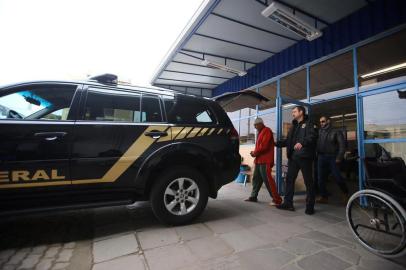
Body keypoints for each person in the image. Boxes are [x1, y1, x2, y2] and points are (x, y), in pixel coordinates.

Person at [275, 106, 318, 215]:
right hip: (293, 158)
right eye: (292, 112)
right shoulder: (293, 126)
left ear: (301, 112)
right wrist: (275, 143)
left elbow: (313, 136)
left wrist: (302, 143)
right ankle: (288, 203)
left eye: (294, 111)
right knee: (289, 180)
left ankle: (310, 206)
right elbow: (288, 141)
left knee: (308, 182)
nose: (292, 113)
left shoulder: (309, 124)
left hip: (305, 157)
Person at [245, 118, 282, 206]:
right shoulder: (260, 132)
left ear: (261, 124)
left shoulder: (267, 130)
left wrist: (255, 152)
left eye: (256, 125)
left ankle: (277, 200)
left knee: (268, 180)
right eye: (254, 125)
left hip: (265, 160)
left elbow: (264, 146)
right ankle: (253, 196)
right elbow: (260, 146)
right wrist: (254, 153)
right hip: (258, 160)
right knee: (256, 179)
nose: (255, 127)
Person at [317, 116, 349, 204]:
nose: (321, 123)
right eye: (320, 122)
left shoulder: (336, 131)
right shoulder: (320, 131)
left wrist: (339, 157)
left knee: (337, 177)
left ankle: (345, 193)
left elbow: (342, 146)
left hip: (333, 157)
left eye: (323, 121)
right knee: (320, 179)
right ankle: (324, 196)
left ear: (328, 121)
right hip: (321, 157)